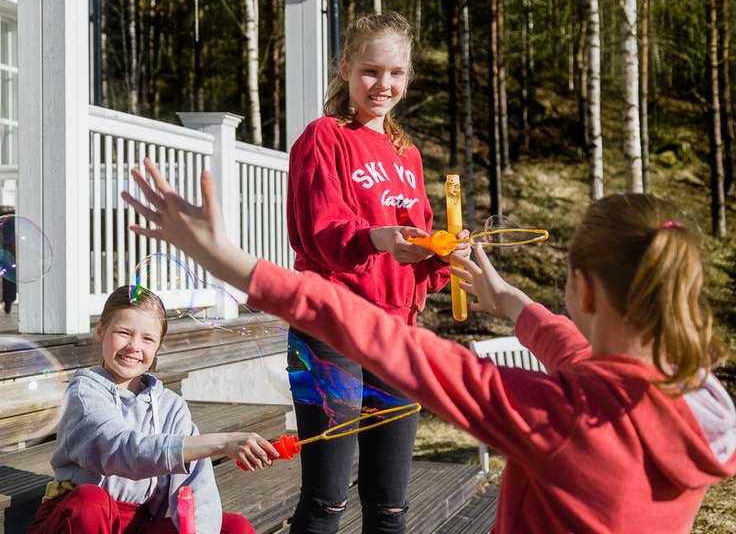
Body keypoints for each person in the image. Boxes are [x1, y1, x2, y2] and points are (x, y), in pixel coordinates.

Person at [122, 160, 736, 533]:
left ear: (585, 290)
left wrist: (231, 262)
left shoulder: (560, 417)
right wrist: (509, 300)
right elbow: (579, 354)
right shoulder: (702, 405)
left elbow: (386, 341)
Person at [283, 11, 464, 533]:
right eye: (371, 70)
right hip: (330, 326)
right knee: (327, 500)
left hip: (395, 333)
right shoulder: (324, 137)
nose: (383, 84)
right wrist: (374, 238)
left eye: (396, 73)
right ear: (345, 68)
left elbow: (420, 242)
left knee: (390, 505)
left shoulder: (408, 154)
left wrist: (445, 254)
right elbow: (321, 229)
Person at [26, 285, 275, 534]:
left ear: (158, 345)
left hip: (138, 524)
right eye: (124, 332)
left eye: (147, 338)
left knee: (234, 528)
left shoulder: (171, 406)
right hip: (77, 518)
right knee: (92, 501)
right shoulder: (84, 393)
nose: (134, 346)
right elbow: (123, 449)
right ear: (100, 331)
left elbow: (195, 486)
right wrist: (222, 442)